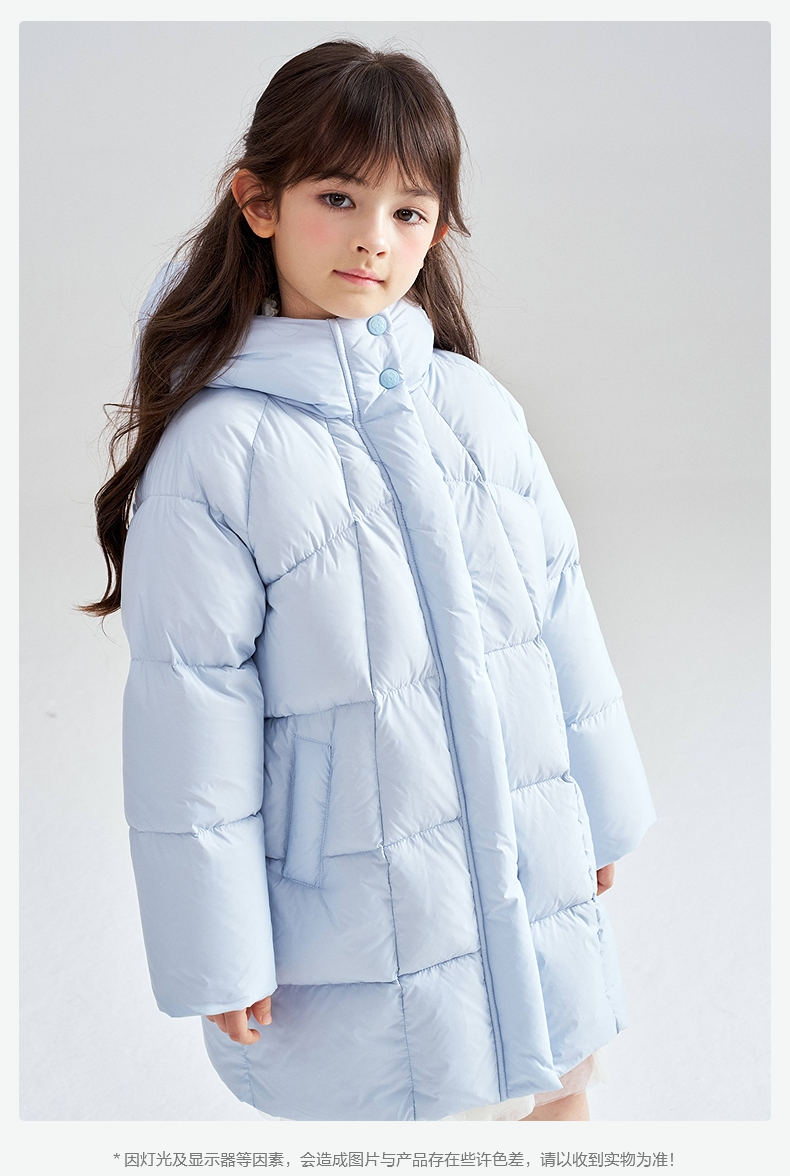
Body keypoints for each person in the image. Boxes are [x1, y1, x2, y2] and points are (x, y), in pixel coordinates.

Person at [83, 39, 656, 1122]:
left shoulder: (473, 409)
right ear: (259, 202)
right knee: (407, 1103)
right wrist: (217, 943)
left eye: (409, 210)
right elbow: (190, 708)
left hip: (525, 855)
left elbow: (558, 613)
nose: (372, 239)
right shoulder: (219, 455)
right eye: (338, 198)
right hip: (355, 893)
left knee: (561, 1086)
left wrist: (599, 809)